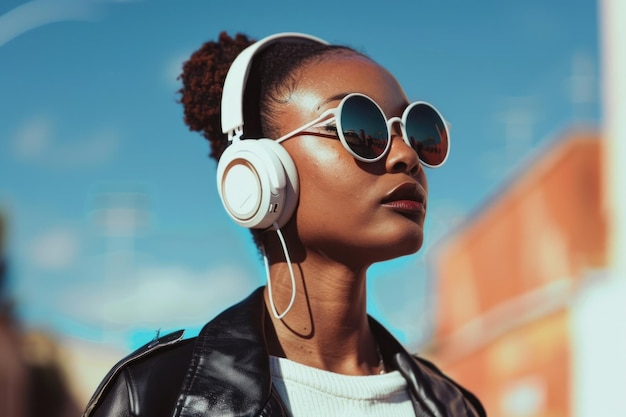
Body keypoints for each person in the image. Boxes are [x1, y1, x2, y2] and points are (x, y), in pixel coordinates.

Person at [82, 31, 486, 417]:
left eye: (415, 131)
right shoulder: (155, 398)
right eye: (362, 128)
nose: (405, 156)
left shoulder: (454, 407)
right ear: (260, 174)